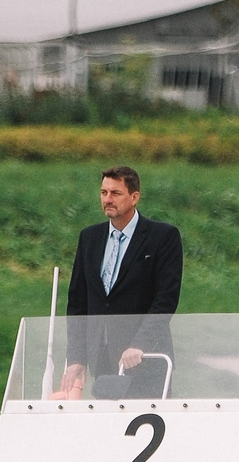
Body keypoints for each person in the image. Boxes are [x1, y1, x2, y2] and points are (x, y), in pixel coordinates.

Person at [60, 165, 185, 398]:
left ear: (134, 197)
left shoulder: (163, 237)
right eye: (103, 192)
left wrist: (140, 344)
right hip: (103, 360)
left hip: (146, 361)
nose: (108, 199)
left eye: (115, 193)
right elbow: (78, 302)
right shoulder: (89, 238)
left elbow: (165, 299)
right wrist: (77, 357)